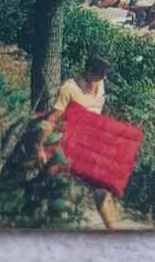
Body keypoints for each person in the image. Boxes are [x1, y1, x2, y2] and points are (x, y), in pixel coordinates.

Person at [37, 55, 119, 228]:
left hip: (91, 146)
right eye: (102, 73)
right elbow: (52, 118)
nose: (105, 77)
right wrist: (40, 147)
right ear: (91, 70)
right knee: (55, 189)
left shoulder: (101, 84)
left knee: (103, 191)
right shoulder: (70, 88)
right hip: (67, 145)